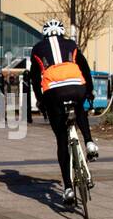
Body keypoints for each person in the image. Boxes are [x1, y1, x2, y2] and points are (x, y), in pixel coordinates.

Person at [29, 19, 99, 206]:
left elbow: (35, 79)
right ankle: (90, 142)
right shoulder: (72, 45)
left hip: (54, 92)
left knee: (61, 139)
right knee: (80, 110)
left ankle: (68, 189)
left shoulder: (37, 49)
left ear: (45, 35)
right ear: (61, 33)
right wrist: (89, 92)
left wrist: (41, 101)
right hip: (76, 86)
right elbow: (85, 69)